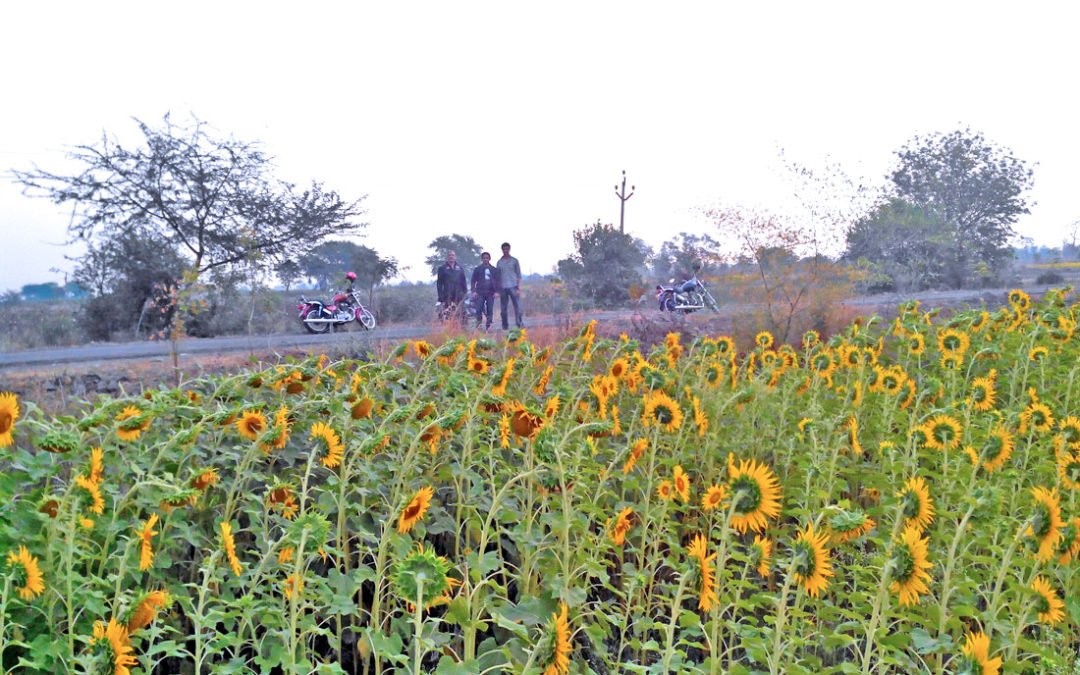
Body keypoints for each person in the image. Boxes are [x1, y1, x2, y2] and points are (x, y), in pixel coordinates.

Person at [496, 242, 523, 330]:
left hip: (514, 286)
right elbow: (497, 277)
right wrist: (498, 290)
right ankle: (505, 327)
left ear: (509, 249)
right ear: (502, 250)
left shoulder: (515, 261)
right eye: (504, 249)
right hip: (503, 288)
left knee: (517, 307)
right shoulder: (499, 262)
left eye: (507, 249)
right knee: (503, 310)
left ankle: (519, 325)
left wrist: (518, 288)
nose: (505, 250)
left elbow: (519, 275)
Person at [471, 251, 500, 330]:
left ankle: (488, 326)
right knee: (479, 309)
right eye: (484, 258)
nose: (485, 259)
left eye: (487, 258)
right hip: (480, 292)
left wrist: (497, 292)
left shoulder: (494, 270)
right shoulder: (477, 269)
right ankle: (479, 325)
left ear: (489, 259)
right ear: (482, 259)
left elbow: (498, 281)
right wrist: (473, 291)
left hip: (491, 292)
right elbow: (473, 281)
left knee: (490, 309)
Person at [436, 251, 467, 321]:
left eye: (453, 255)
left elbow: (463, 281)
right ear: (447, 257)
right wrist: (440, 295)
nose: (451, 257)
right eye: (449, 255)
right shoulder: (442, 268)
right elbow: (439, 283)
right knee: (448, 312)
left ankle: (462, 328)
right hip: (447, 294)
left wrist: (465, 292)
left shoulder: (459, 268)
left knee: (461, 312)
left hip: (458, 294)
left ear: (455, 257)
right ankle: (449, 327)